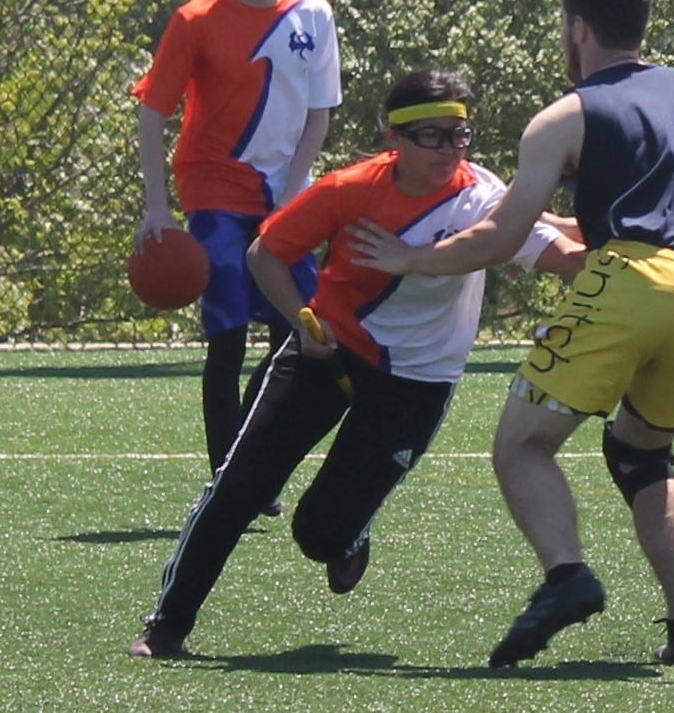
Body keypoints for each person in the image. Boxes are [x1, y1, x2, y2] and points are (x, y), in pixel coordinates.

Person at [349, 0, 674, 667]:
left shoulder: (562, 117)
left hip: (634, 282)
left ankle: (566, 574)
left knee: (521, 444)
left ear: (577, 28)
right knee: (642, 453)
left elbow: (500, 236)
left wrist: (410, 257)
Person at [127, 68, 586, 658]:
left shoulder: (482, 200)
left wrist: (641, 242)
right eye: (432, 136)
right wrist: (302, 321)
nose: (449, 150)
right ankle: (167, 626)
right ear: (393, 135)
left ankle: (348, 533)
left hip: (416, 382)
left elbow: (567, 259)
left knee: (318, 534)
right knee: (240, 484)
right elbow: (266, 253)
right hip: (329, 349)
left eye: (459, 135)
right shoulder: (351, 188)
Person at [132, 0, 342, 494]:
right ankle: (228, 477)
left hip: (284, 191)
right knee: (227, 334)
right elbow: (153, 111)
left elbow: (319, 114)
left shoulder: (314, 14)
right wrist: (156, 207)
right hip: (214, 186)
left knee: (297, 333)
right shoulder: (196, 19)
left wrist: (295, 185)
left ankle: (256, 463)